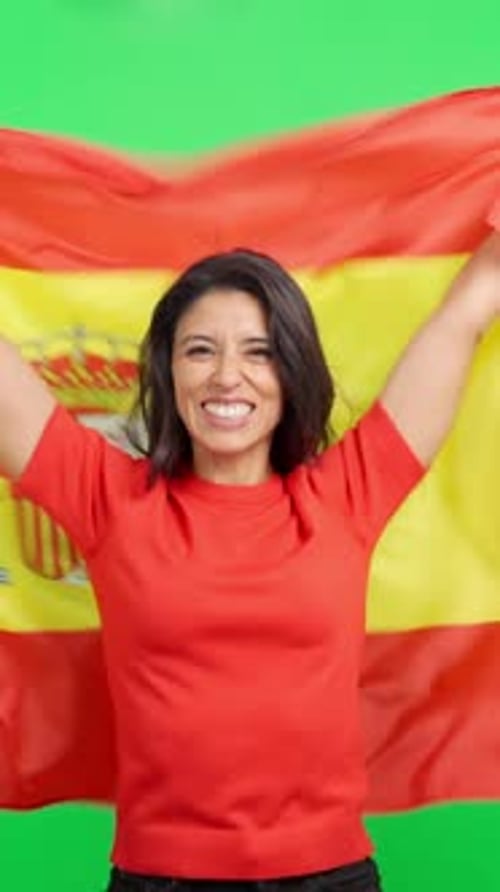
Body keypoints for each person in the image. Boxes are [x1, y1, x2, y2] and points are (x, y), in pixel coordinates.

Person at [1, 223, 499, 892]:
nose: (227, 376)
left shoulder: (348, 494)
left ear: (290, 370)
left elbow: (464, 317)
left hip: (328, 878)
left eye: (259, 352)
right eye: (199, 350)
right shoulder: (109, 499)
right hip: (160, 881)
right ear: (168, 371)